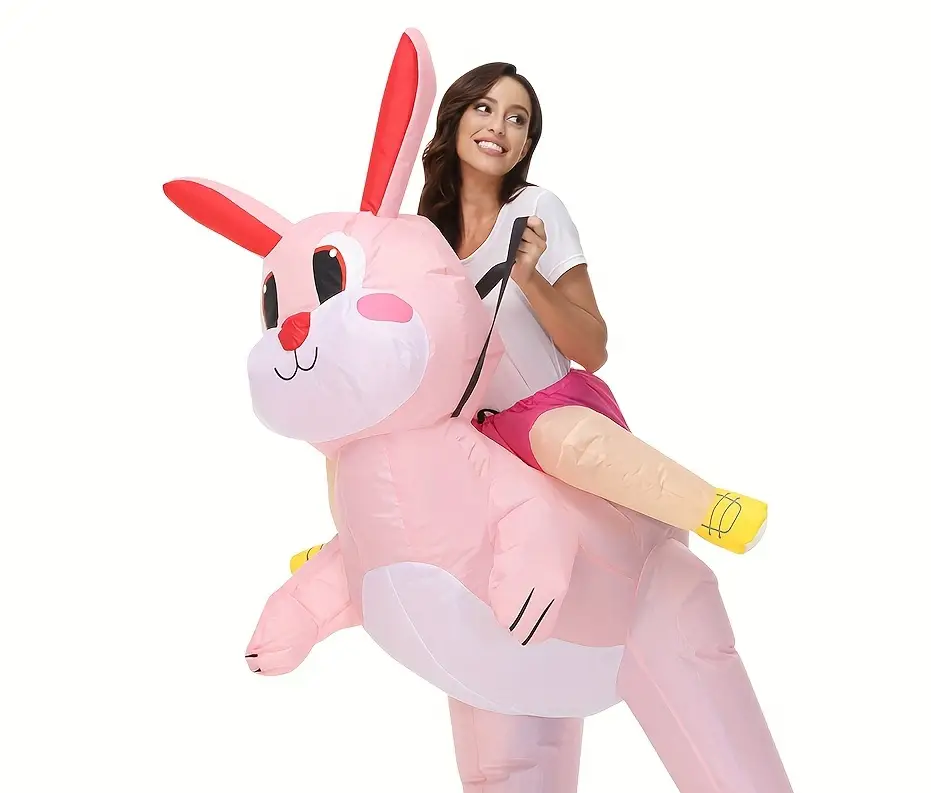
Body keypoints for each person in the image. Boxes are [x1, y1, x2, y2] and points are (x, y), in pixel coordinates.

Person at [291, 61, 765, 575]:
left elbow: (593, 350)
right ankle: (351, 547)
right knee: (360, 441)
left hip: (544, 410)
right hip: (470, 432)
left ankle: (709, 507)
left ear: (524, 146)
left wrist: (529, 278)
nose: (499, 126)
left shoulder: (537, 208)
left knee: (559, 437)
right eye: (484, 108)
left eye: (517, 119)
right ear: (455, 121)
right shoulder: (423, 238)